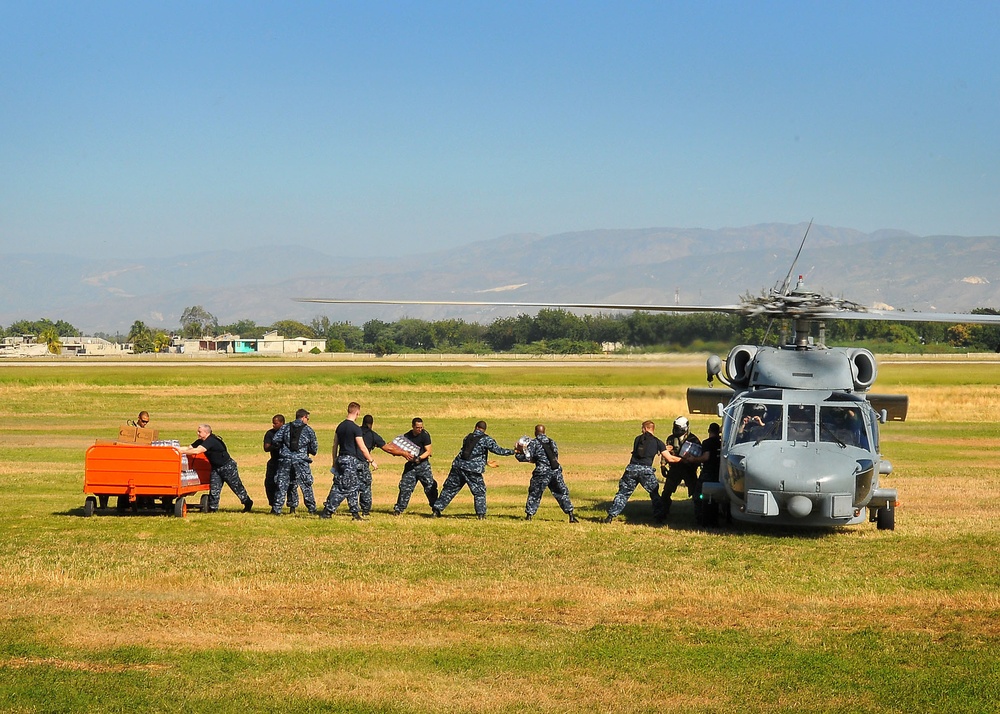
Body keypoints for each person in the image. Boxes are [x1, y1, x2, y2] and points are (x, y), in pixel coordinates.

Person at [433, 420, 515, 519]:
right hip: (472, 470)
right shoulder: (486, 439)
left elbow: (469, 452)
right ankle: (481, 514)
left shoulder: (468, 437)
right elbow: (499, 450)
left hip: (458, 466)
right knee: (479, 492)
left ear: (476, 427)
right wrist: (513, 451)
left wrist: (485, 462)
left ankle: (436, 510)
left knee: (449, 489)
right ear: (484, 430)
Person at [604, 420, 669, 523]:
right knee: (654, 494)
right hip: (646, 471)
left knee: (623, 494)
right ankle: (659, 517)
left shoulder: (637, 439)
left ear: (646, 428)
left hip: (631, 469)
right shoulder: (658, 442)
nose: (641, 430)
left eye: (642, 428)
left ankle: (611, 516)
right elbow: (668, 457)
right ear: (652, 429)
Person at [179, 424, 253, 513]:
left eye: (199, 431)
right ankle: (213, 508)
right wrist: (175, 449)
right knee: (214, 489)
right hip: (215, 468)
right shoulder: (200, 441)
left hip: (227, 467)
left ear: (206, 432)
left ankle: (247, 502)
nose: (197, 433)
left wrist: (182, 451)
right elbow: (189, 448)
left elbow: (197, 451)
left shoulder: (211, 441)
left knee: (236, 486)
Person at [320, 402, 374, 520]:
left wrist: (334, 461)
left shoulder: (340, 426)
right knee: (344, 487)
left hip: (341, 458)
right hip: (350, 461)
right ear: (357, 413)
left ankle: (355, 514)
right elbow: (362, 447)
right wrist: (371, 460)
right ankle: (328, 511)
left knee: (352, 486)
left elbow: (335, 445)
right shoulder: (355, 428)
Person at [515, 424, 578, 522]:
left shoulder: (534, 442)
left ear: (535, 432)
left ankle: (529, 516)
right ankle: (571, 515)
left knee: (535, 493)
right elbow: (555, 456)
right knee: (561, 493)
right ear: (544, 432)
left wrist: (518, 453)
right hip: (555, 471)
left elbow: (527, 457)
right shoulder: (552, 442)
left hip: (542, 472)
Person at [359, 414, 413, 516]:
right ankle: (365, 510)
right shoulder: (372, 435)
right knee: (365, 486)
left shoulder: (355, 431)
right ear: (371, 424)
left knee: (345, 486)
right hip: (362, 463)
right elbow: (388, 448)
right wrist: (403, 453)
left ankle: (331, 507)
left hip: (348, 461)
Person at [271, 408, 319, 515]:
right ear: (303, 417)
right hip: (301, 461)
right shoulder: (308, 430)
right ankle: (312, 509)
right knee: (306, 485)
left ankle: (277, 509)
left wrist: (283, 449)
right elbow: (314, 448)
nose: (308, 420)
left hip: (285, 460)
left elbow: (275, 440)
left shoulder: (285, 427)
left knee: (282, 485)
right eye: (307, 418)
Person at [393, 417, 438, 515]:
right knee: (405, 487)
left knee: (430, 487)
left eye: (421, 427)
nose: (420, 429)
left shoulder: (425, 435)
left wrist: (419, 458)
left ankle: (436, 509)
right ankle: (399, 509)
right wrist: (404, 454)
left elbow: (429, 451)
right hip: (411, 467)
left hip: (423, 466)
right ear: (413, 426)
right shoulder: (407, 436)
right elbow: (399, 448)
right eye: (417, 427)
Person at [661, 416, 706, 513]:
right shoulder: (671, 439)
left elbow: (699, 455)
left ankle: (699, 514)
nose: (675, 430)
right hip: (674, 469)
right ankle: (662, 513)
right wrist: (663, 464)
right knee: (666, 492)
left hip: (689, 470)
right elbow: (665, 452)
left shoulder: (693, 439)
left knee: (696, 493)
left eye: (678, 428)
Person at [262, 414, 288, 508]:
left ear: (282, 423)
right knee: (269, 483)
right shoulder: (270, 433)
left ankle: (291, 506)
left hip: (285, 462)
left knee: (288, 485)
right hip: (274, 461)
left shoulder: (288, 433)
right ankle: (273, 503)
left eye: (275, 423)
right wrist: (275, 446)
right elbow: (266, 448)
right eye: (273, 423)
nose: (273, 425)